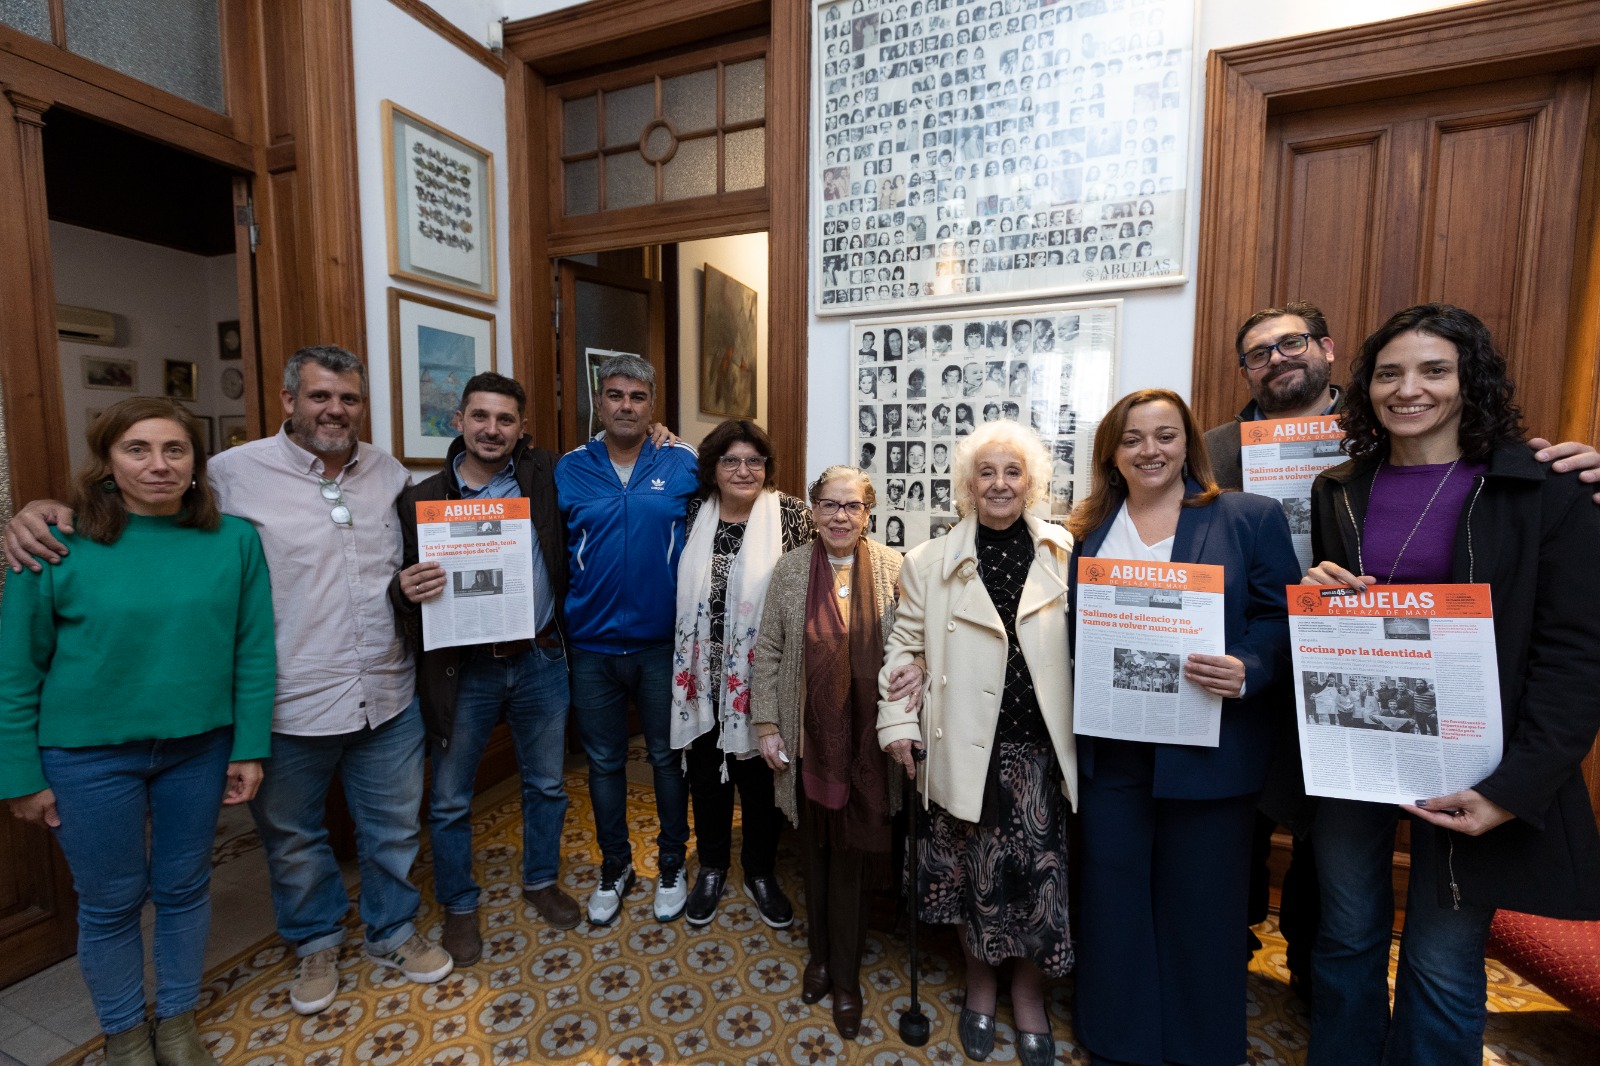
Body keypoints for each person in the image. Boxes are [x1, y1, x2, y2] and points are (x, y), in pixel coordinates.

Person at [3, 347, 454, 1014]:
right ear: (288, 400)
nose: (335, 409)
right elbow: (137, 504)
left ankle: (393, 929)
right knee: (295, 838)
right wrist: (39, 508)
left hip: (386, 692)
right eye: (320, 396)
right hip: (288, 700)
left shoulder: (386, 473)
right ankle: (317, 938)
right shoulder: (230, 474)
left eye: (349, 399)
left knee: (391, 831)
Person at [1205, 301, 1600, 996]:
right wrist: (1325, 593)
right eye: (1390, 373)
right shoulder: (1328, 485)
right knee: (1347, 929)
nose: (1408, 389)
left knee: (1442, 961)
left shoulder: (1537, 485)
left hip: (1475, 755)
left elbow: (1573, 654)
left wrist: (1516, 786)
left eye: (1434, 371)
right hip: (1348, 737)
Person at [0, 398, 274, 1066]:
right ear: (107, 461)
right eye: (138, 450)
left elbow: (253, 650)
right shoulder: (55, 544)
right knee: (110, 902)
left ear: (195, 464)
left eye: (174, 450)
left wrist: (249, 748)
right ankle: (124, 1033)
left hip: (198, 748)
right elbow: (15, 668)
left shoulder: (234, 540)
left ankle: (176, 1021)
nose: (158, 465)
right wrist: (18, 774)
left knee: (184, 891)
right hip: (87, 757)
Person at [1067, 388, 1300, 1066]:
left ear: (1188, 443)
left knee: (1201, 908)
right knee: (1112, 899)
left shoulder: (1245, 516)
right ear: (1112, 451)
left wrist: (1248, 667)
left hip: (1207, 750)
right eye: (1133, 438)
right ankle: (1119, 1040)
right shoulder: (1084, 530)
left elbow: (1282, 619)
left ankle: (1199, 1048)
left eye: (1165, 435)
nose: (1150, 450)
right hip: (1113, 752)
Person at [880, 420, 1077, 1066]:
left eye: (1012, 472)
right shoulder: (928, 562)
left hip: (1039, 759)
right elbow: (901, 652)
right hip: (964, 752)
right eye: (986, 473)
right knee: (971, 881)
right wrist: (899, 723)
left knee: (1036, 885)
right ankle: (981, 987)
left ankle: (1028, 994)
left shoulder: (1063, 552)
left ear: (1032, 483)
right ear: (967, 485)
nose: (999, 484)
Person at [390, 372, 580, 966]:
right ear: (459, 421)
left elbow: (613, 448)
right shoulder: (420, 499)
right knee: (448, 799)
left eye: (504, 419)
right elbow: (399, 586)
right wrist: (404, 590)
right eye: (480, 416)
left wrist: (660, 434)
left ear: (522, 429)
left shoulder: (546, 478)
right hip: (462, 670)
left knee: (547, 783)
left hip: (540, 659)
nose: (491, 429)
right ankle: (459, 903)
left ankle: (541, 879)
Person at [752, 467, 906, 1040]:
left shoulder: (894, 569)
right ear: (813, 510)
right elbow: (767, 650)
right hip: (806, 741)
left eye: (853, 506)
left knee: (852, 859)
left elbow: (911, 649)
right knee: (813, 851)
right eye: (829, 505)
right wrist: (767, 725)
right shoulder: (791, 571)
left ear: (869, 513)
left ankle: (846, 976)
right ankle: (819, 956)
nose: (840, 517)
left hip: (868, 743)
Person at [556, 355, 700, 924]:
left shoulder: (681, 461)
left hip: (661, 643)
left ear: (652, 405)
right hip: (590, 645)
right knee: (603, 762)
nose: (625, 406)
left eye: (637, 397)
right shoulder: (569, 468)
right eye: (614, 395)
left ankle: (670, 863)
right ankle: (615, 866)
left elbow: (730, 502)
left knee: (666, 759)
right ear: (600, 401)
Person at [670, 420, 815, 929]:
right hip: (703, 679)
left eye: (754, 461)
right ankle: (711, 867)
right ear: (712, 468)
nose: (743, 470)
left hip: (764, 680)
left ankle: (759, 871)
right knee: (706, 780)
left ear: (767, 468)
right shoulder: (693, 512)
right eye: (731, 460)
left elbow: (819, 575)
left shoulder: (793, 515)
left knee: (760, 782)